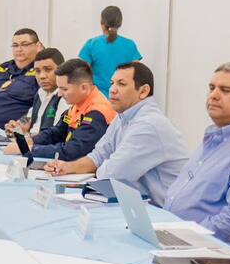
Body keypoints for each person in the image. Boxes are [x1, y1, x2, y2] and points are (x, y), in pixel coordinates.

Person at [45, 62, 189, 206]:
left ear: (143, 91)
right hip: (139, 205)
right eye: (112, 83)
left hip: (165, 212)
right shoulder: (123, 117)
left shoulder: (149, 125)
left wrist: (99, 167)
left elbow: (111, 176)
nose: (112, 90)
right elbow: (98, 156)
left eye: (121, 84)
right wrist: (68, 167)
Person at [164, 62, 230, 246]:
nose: (214, 95)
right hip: (172, 235)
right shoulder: (215, 136)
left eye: (225, 90)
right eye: (212, 88)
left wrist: (186, 238)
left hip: (205, 250)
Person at [4, 59, 116, 161]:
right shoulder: (78, 104)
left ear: (84, 87)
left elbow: (73, 151)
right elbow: (56, 132)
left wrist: (29, 149)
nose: (59, 94)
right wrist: (30, 140)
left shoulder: (97, 112)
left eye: (64, 89)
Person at [79, 5, 142, 96]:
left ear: (102, 23)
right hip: (122, 98)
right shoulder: (130, 45)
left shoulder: (92, 44)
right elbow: (138, 74)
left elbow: (81, 74)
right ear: (120, 23)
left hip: (98, 98)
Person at [5, 48, 67, 138]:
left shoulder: (65, 98)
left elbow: (55, 136)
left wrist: (26, 138)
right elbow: (28, 120)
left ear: (61, 70)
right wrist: (16, 128)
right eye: (37, 71)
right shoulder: (40, 92)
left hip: (40, 145)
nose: (42, 76)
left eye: (48, 69)